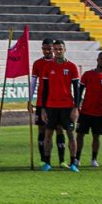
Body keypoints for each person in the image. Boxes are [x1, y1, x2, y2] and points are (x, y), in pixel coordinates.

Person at [40, 39, 81, 172]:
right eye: (55, 49)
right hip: (51, 106)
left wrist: (76, 108)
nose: (58, 51)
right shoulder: (48, 67)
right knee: (48, 134)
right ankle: (47, 162)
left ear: (64, 50)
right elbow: (44, 90)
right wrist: (44, 109)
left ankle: (73, 162)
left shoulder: (72, 67)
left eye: (60, 49)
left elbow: (77, 89)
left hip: (67, 106)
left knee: (70, 134)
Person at [28, 38, 66, 166]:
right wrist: (29, 99)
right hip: (41, 103)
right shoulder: (37, 64)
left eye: (49, 48)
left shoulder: (61, 63)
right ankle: (44, 160)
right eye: (44, 48)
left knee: (59, 129)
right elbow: (33, 83)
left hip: (57, 103)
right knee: (42, 130)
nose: (47, 51)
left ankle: (62, 160)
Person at [75, 51, 102, 167]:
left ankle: (94, 159)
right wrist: (77, 107)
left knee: (96, 136)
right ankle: (77, 159)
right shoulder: (87, 74)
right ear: (97, 60)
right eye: (101, 58)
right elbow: (80, 91)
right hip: (85, 111)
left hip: (99, 112)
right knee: (80, 135)